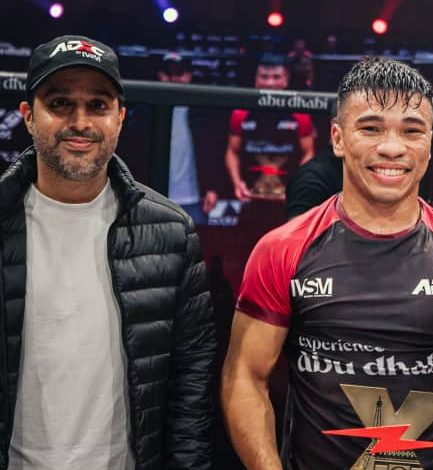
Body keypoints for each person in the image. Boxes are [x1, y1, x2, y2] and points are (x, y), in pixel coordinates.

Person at [222, 56, 433, 470]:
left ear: (429, 144)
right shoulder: (282, 250)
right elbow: (245, 377)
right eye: (371, 128)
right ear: (338, 139)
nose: (392, 148)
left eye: (412, 131)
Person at [0, 35, 215, 469]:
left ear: (119, 118)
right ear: (28, 115)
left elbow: (191, 383)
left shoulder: (172, 233)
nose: (79, 121)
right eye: (60, 103)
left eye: (97, 105)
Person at [223, 54, 314, 201]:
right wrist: (237, 182)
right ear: (256, 80)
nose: (270, 83)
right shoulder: (241, 113)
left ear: (285, 80)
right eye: (264, 77)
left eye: (276, 77)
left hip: (288, 196)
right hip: (250, 194)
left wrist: (297, 185)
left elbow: (308, 152)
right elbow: (232, 151)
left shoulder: (300, 114)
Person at [158, 51, 218, 225]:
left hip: (193, 198)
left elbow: (211, 151)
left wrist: (212, 187)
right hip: (154, 197)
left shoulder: (202, 113)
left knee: (195, 242)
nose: (174, 78)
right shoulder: (146, 113)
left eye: (180, 73)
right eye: (169, 73)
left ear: (189, 76)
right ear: (160, 75)